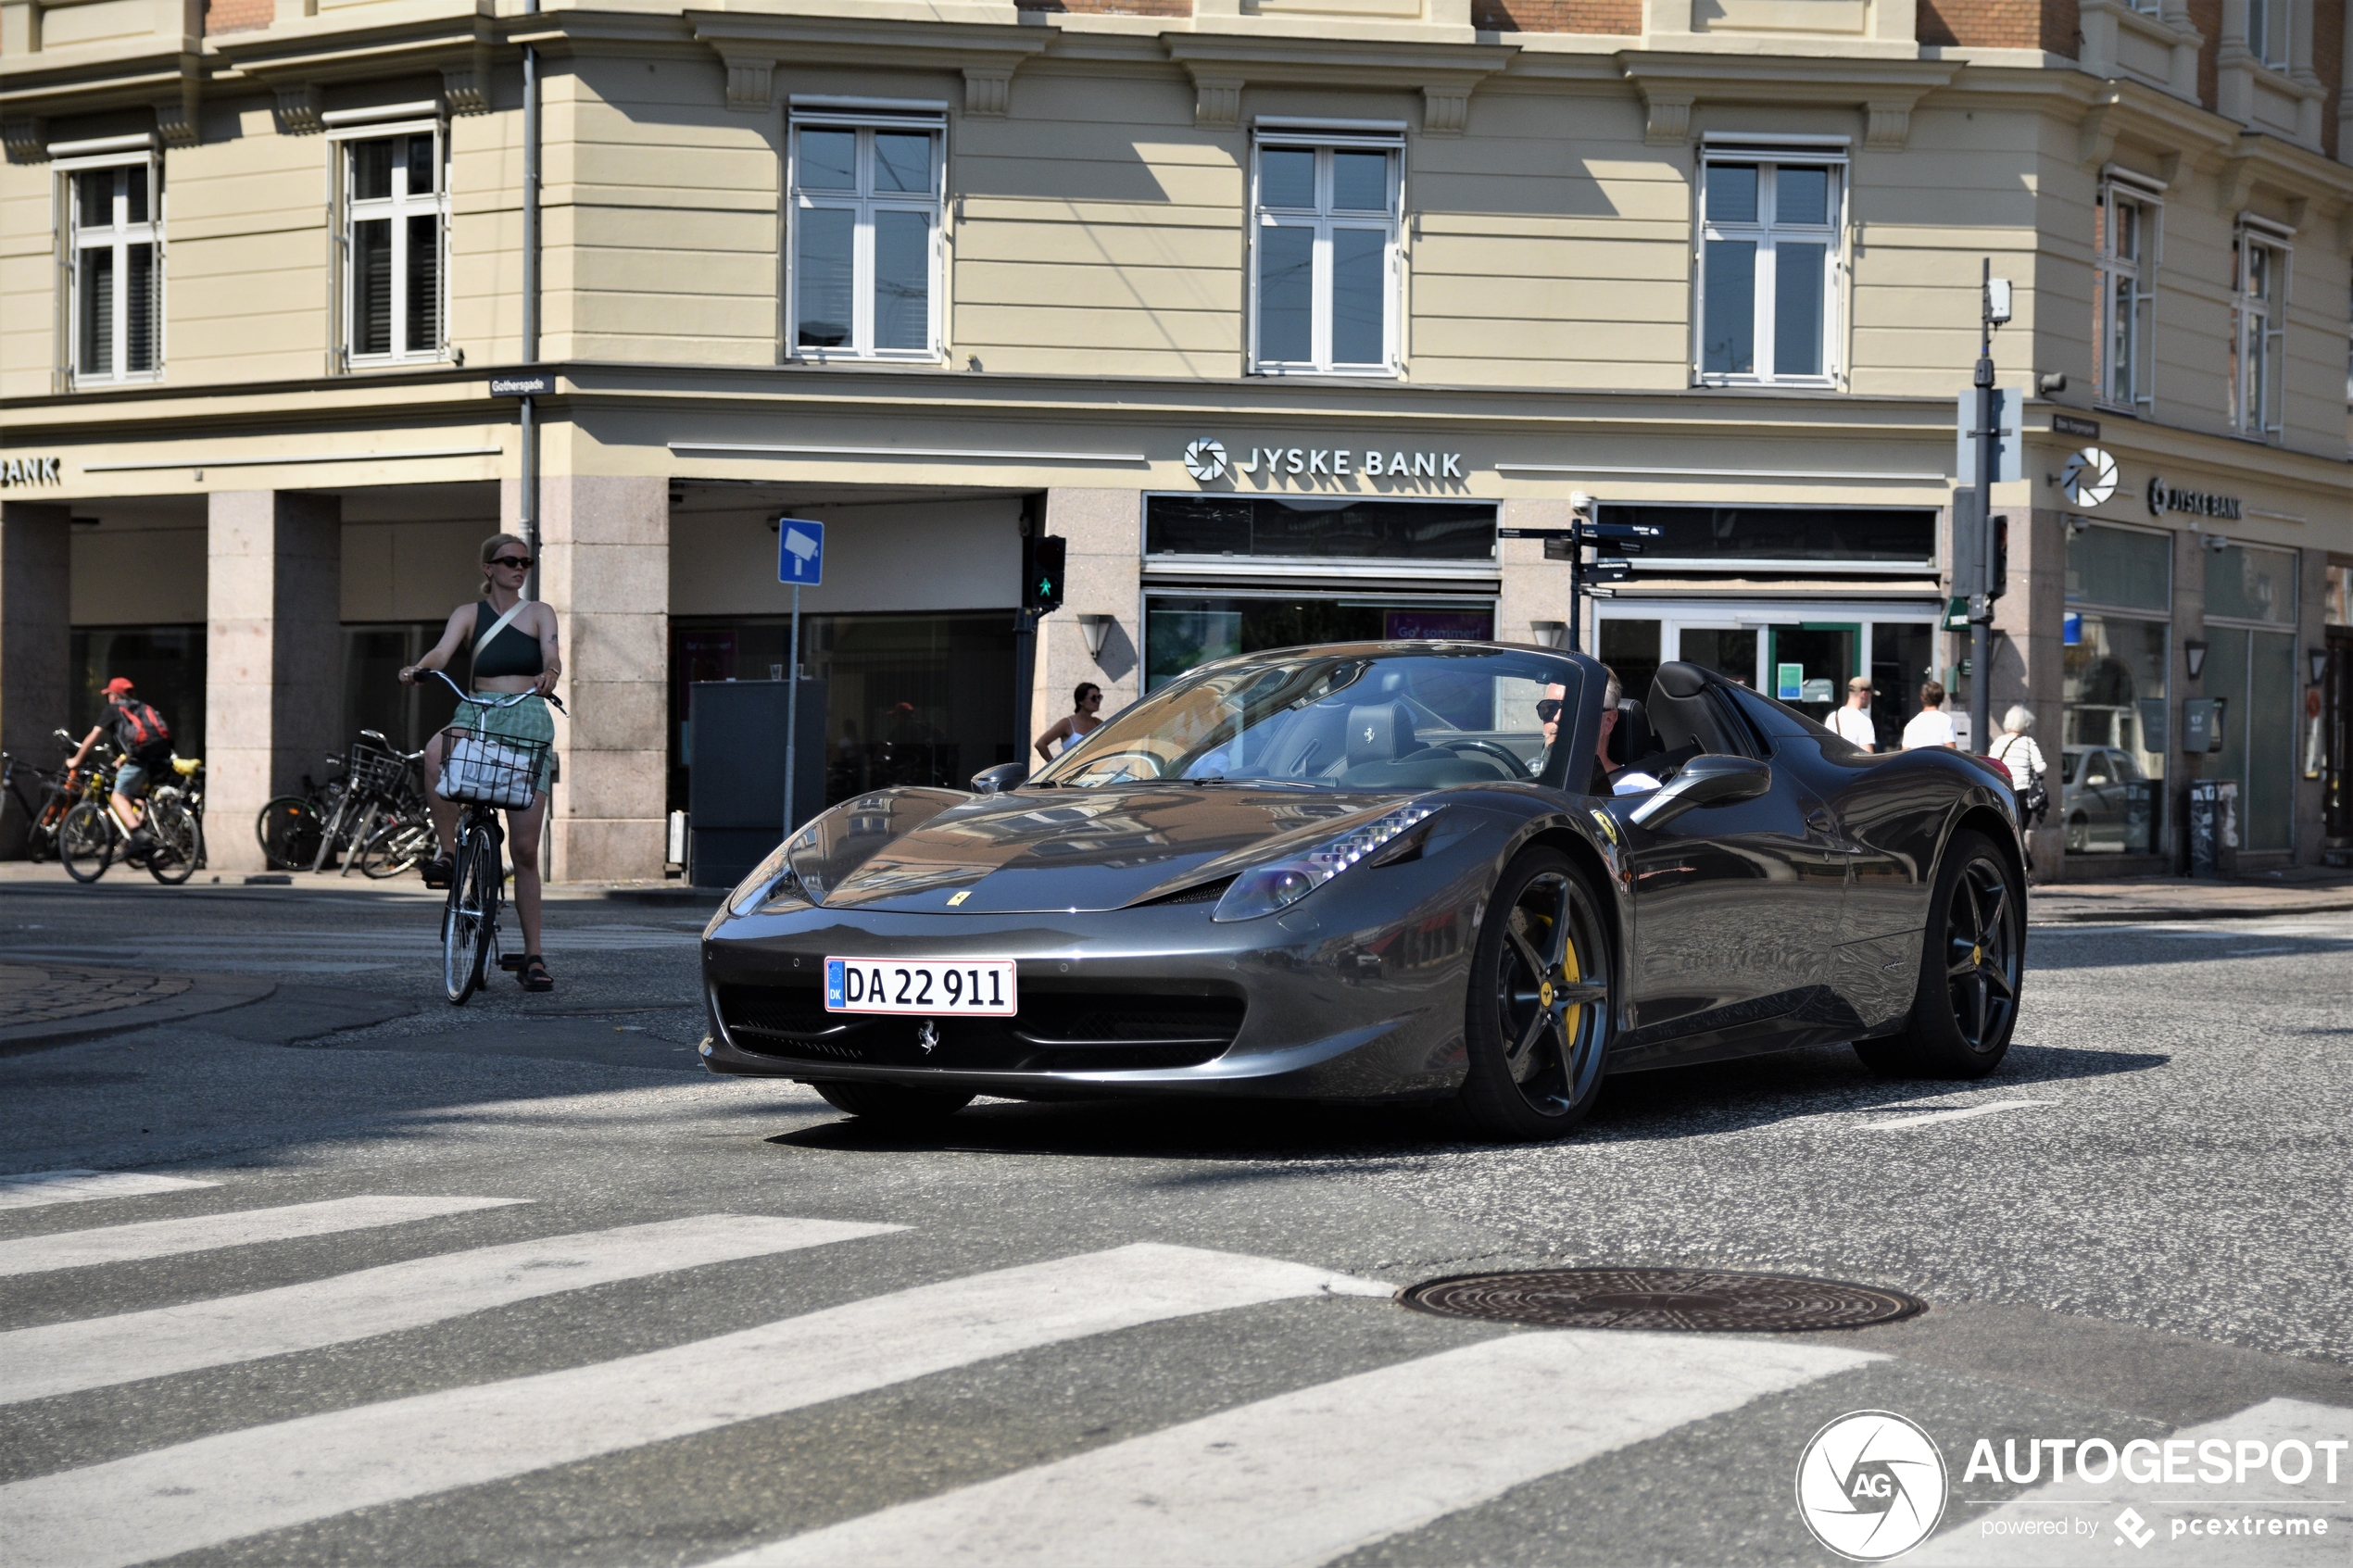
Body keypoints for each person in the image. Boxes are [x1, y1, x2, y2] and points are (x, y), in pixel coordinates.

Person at [399, 533, 562, 994]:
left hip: (527, 714)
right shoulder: (468, 614)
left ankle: (533, 956)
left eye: (525, 562)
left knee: (526, 851)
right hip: (478, 709)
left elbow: (552, 655)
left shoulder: (539, 612)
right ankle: (449, 852)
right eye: (510, 561)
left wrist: (549, 675)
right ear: (488, 567)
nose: (519, 568)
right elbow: (442, 652)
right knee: (436, 752)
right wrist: (419, 668)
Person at [66, 677, 173, 857]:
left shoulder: (113, 710)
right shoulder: (143, 708)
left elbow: (93, 737)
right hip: (162, 758)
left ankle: (139, 835)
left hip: (141, 759)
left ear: (115, 696)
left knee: (118, 796)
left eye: (109, 695)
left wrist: (76, 760)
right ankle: (143, 828)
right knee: (137, 796)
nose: (108, 699)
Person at [1991, 705, 2049, 822]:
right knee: (2020, 829)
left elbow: (1991, 765)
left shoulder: (1998, 742)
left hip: (2002, 790)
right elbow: (2040, 767)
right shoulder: (2027, 742)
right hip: (2021, 793)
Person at [1034, 683, 1105, 761]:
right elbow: (1040, 744)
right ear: (1081, 701)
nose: (1098, 701)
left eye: (1099, 697)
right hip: (1073, 772)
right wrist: (1056, 767)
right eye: (1093, 698)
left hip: (1096, 771)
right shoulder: (1067, 723)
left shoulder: (1098, 723)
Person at [1901, 680, 1958, 751]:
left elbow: (1904, 754)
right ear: (1941, 698)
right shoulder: (1945, 720)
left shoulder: (1911, 724)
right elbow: (1951, 751)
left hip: (1917, 762)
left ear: (1922, 697)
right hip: (1938, 762)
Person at [1829, 676, 1878, 751]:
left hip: (1833, 762)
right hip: (1852, 762)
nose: (1871, 699)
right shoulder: (1864, 722)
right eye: (1871, 695)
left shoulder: (1832, 717)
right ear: (1864, 694)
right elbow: (1868, 758)